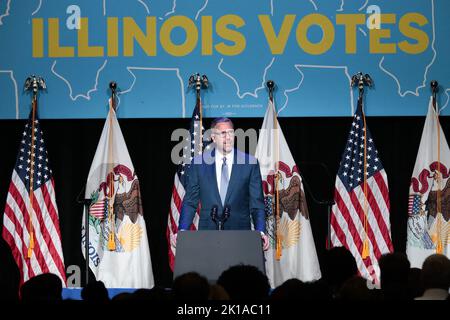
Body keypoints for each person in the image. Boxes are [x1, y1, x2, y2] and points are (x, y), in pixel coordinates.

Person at [176, 117, 269, 250]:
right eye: (223, 133)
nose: (228, 137)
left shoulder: (250, 163)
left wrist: (260, 231)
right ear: (213, 137)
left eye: (231, 132)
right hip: (208, 235)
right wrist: (183, 230)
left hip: (241, 236)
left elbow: (257, 204)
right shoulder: (199, 163)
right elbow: (190, 202)